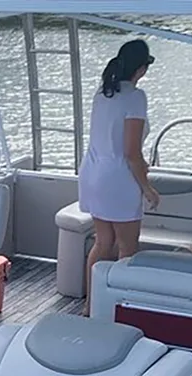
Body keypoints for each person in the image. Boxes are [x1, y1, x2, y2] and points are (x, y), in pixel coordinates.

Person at [78, 39, 160, 316]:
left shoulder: (102, 93)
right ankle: (121, 311)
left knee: (103, 243)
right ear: (141, 69)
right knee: (127, 249)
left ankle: (91, 305)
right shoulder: (136, 97)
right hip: (118, 179)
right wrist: (147, 188)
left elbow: (113, 142)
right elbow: (130, 152)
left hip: (94, 174)